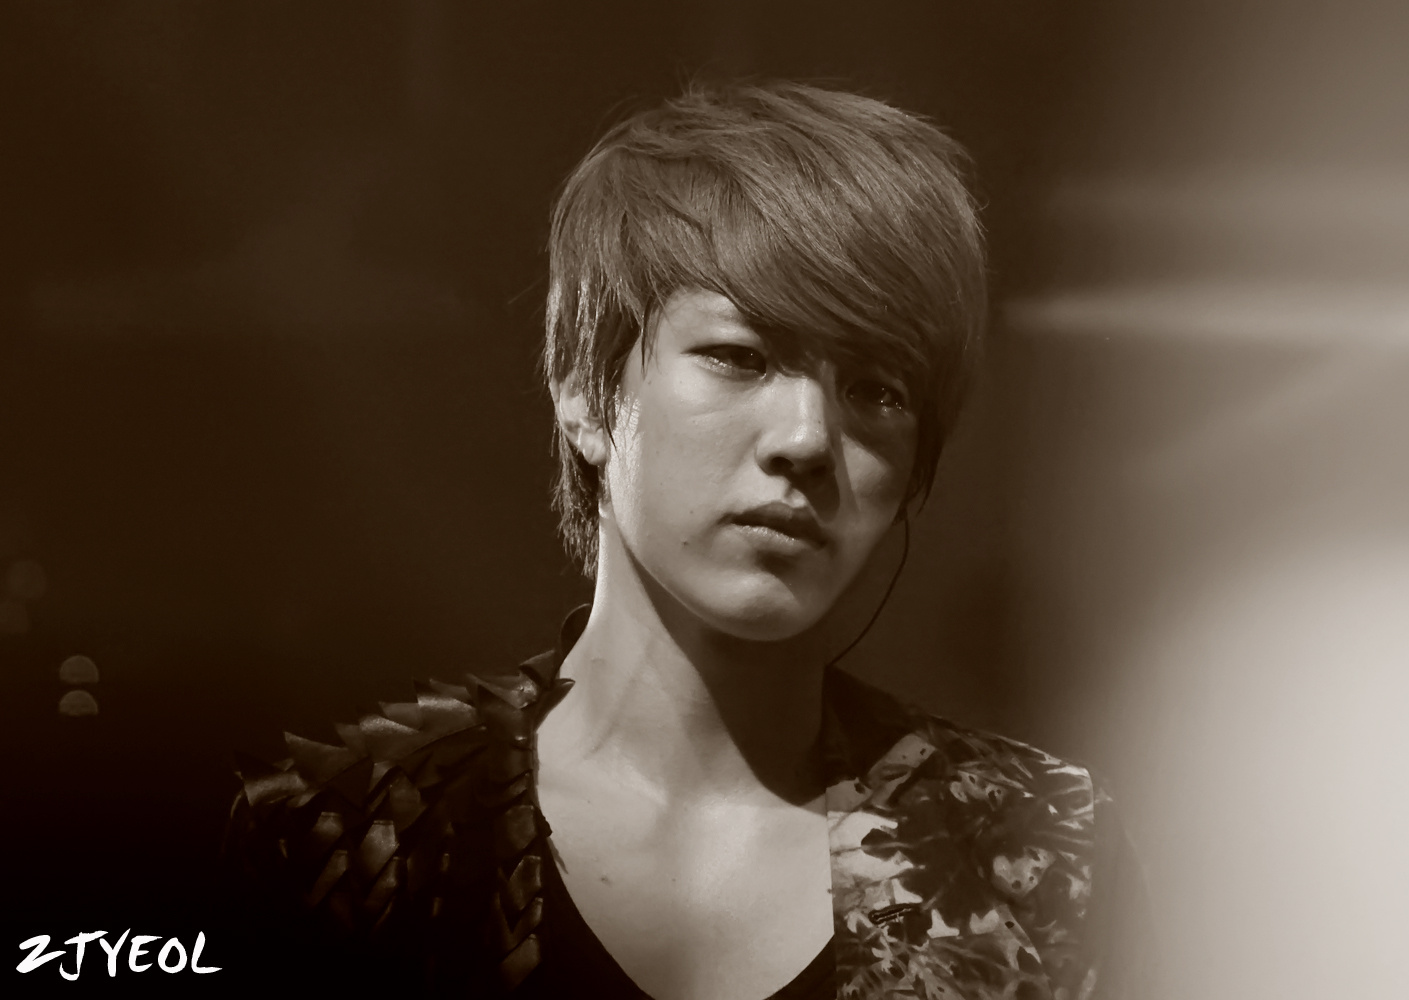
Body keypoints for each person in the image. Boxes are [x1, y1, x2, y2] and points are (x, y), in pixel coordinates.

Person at [226, 80, 1149, 999]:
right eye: (739, 356)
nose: (806, 439)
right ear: (584, 388)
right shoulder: (350, 839)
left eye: (877, 389)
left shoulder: (1037, 854)